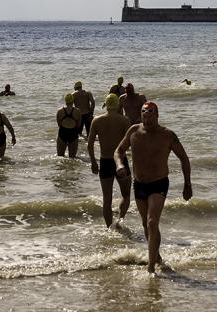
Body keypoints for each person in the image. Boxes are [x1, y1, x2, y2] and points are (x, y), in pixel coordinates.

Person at [114, 102, 192, 273]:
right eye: (144, 114)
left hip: (159, 183)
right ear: (141, 115)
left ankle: (150, 268)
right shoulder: (134, 131)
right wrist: (120, 165)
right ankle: (156, 257)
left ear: (157, 115)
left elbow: (184, 159)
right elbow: (118, 151)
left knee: (152, 222)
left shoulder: (167, 135)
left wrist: (187, 184)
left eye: (150, 114)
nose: (147, 118)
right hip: (139, 183)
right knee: (145, 224)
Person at [88, 94, 132, 228]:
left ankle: (109, 228)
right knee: (126, 194)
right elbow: (130, 143)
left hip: (105, 161)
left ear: (106, 105)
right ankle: (120, 220)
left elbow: (89, 144)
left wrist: (93, 162)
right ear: (118, 105)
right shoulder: (124, 120)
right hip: (121, 161)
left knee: (107, 199)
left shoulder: (96, 121)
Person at [57, 93, 82, 158]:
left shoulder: (59, 111)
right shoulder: (77, 111)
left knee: (60, 157)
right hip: (73, 133)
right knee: (72, 158)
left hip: (63, 132)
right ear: (72, 101)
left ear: (65, 101)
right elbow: (78, 125)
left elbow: (59, 124)